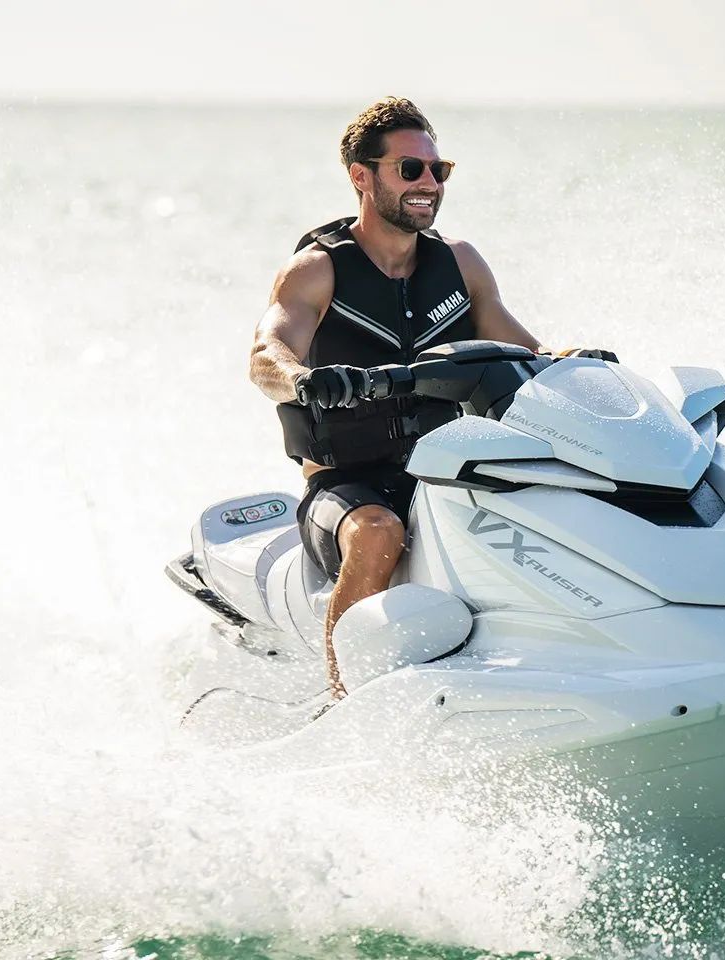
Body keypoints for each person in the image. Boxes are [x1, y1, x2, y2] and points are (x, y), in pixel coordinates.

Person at [249, 97, 606, 701]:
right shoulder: (317, 270)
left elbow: (525, 351)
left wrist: (569, 363)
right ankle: (344, 700)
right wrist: (305, 378)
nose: (429, 184)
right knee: (378, 534)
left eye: (438, 170)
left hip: (443, 471)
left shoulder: (459, 264)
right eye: (409, 169)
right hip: (348, 487)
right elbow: (266, 353)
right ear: (362, 176)